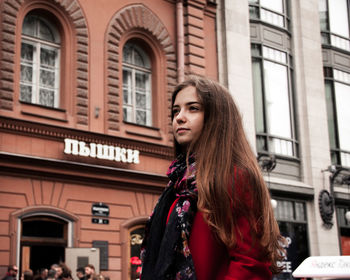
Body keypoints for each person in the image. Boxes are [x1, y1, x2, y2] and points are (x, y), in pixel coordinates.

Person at [140, 76, 286, 280]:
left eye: (193, 108)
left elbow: (250, 264)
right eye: (176, 111)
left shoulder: (234, 177)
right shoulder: (178, 185)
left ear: (217, 117)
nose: (179, 117)